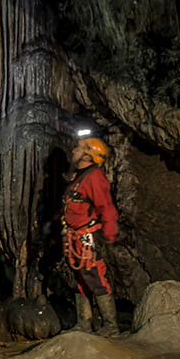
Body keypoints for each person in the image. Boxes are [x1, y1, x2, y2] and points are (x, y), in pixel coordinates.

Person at [61, 135, 119, 334]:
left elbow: (107, 208)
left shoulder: (94, 176)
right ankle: (84, 324)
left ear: (87, 155)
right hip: (76, 237)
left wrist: (109, 237)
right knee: (81, 278)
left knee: (95, 277)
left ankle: (110, 326)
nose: (73, 151)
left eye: (77, 148)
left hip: (88, 237)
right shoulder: (79, 176)